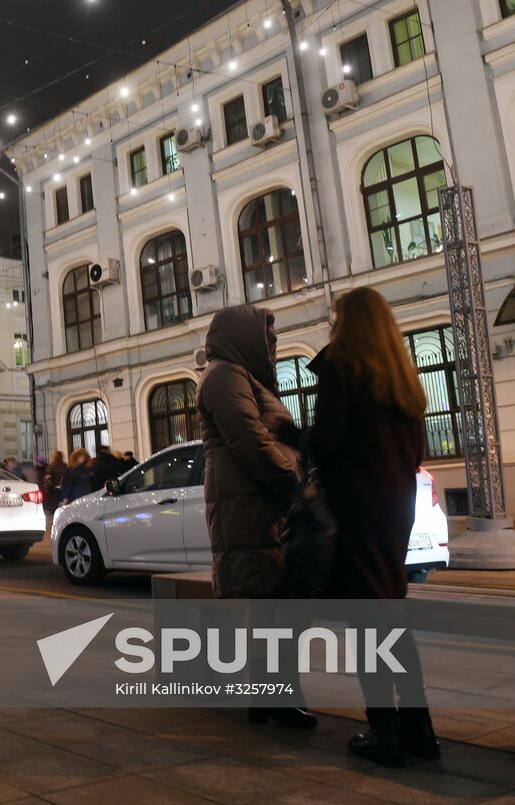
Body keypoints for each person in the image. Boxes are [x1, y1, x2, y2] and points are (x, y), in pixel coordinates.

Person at [309, 287, 435, 768]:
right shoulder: (402, 380)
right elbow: (415, 452)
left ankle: (385, 731)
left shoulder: (343, 368)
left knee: (368, 627)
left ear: (350, 324)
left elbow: (327, 443)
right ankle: (420, 729)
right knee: (391, 620)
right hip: (394, 510)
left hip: (358, 511)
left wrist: (286, 432)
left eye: (337, 317)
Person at [197, 305, 311, 729]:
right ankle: (276, 698)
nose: (274, 348)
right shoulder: (225, 376)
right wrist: (294, 485)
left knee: (270, 608)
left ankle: (270, 698)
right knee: (270, 606)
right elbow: (250, 441)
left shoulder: (239, 376)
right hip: (247, 506)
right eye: (268, 339)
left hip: (252, 504)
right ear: (245, 338)